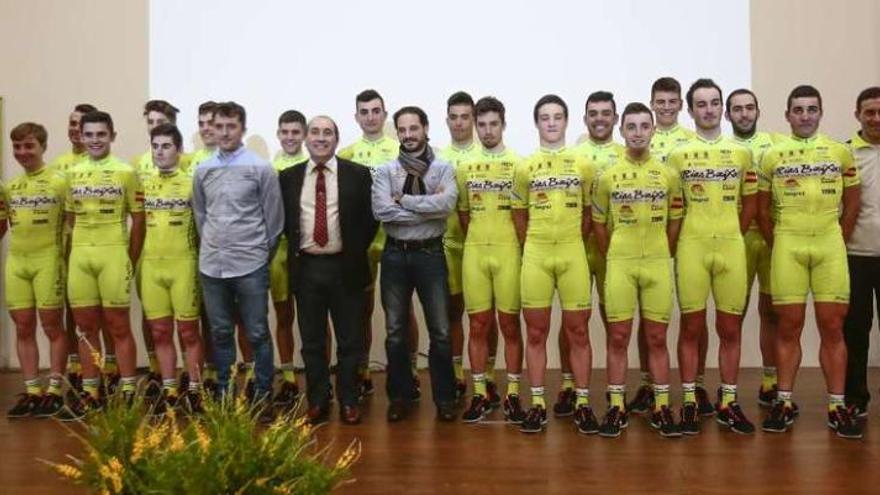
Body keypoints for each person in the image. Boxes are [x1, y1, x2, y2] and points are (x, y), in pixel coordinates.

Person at [757, 85, 862, 439]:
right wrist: (782, 241)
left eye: (811, 109)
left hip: (829, 245)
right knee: (788, 326)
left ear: (821, 112)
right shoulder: (772, 155)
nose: (805, 116)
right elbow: (761, 211)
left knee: (833, 327)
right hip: (789, 245)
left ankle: (837, 405)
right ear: (787, 115)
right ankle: (783, 401)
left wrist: (837, 238)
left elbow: (853, 202)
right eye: (798, 110)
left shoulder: (839, 153)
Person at [667, 79, 757, 434]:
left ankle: (729, 401)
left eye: (714, 103)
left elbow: (751, 201)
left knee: (730, 327)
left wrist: (734, 232)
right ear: (690, 111)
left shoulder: (740, 153)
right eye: (700, 104)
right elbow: (672, 206)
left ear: (722, 108)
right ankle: (690, 400)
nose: (708, 109)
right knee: (691, 327)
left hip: (731, 247)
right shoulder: (676, 156)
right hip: (693, 246)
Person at [592, 102, 683, 438]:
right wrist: (614, 254)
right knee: (618, 337)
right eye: (632, 127)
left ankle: (662, 406)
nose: (638, 133)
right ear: (622, 131)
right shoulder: (607, 176)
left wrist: (663, 252)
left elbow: (675, 221)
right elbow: (599, 225)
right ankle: (616, 406)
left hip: (657, 262)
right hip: (620, 263)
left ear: (653, 131)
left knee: (657, 338)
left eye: (645, 126)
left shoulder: (669, 175)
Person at [280, 115, 377, 425]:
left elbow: (370, 218)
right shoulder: (289, 177)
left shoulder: (358, 175)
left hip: (345, 267)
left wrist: (354, 249)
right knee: (312, 341)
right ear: (307, 139)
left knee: (349, 340)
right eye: (316, 132)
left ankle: (349, 399)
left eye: (328, 133)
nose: (321, 138)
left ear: (336, 139)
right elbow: (284, 221)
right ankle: (318, 400)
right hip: (306, 268)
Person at [512, 95, 596, 434]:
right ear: (536, 123)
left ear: (566, 121)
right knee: (536, 332)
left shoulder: (583, 164)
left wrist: (572, 241)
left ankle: (583, 402)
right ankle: (536, 403)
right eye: (544, 117)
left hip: (573, 252)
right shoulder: (524, 166)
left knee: (578, 330)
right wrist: (534, 244)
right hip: (537, 253)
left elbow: (590, 215)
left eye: (557, 117)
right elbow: (519, 217)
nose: (551, 123)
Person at [192, 102, 283, 415]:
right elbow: (201, 214)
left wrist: (258, 254)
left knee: (257, 333)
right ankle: (226, 395)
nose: (225, 132)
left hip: (250, 265)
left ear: (242, 129)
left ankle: (262, 396)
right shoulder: (202, 169)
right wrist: (216, 244)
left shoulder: (261, 168)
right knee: (219, 333)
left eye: (231, 126)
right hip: (212, 267)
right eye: (219, 126)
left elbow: (274, 221)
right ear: (212, 129)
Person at [372, 105, 458, 422]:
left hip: (430, 255)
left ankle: (445, 399)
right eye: (403, 129)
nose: (408, 135)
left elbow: (447, 205)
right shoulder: (386, 171)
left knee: (441, 331)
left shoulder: (444, 168)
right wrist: (427, 207)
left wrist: (404, 200)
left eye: (414, 128)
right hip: (395, 255)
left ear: (425, 128)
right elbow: (382, 211)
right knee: (395, 332)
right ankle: (401, 397)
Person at [59, 111, 145, 420]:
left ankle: (128, 389)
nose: (95, 140)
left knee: (118, 326)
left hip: (114, 255)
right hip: (81, 256)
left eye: (101, 134)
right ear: (81, 136)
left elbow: (139, 220)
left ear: (112, 136)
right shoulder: (71, 172)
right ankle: (91, 390)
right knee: (84, 329)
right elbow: (70, 218)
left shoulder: (125, 171)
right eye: (90, 134)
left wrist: (129, 259)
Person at [338, 89, 420, 398]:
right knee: (362, 309)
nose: (371, 117)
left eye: (376, 111)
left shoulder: (402, 150)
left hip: (398, 238)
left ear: (385, 115)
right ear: (356, 117)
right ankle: (362, 370)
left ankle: (410, 370)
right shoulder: (346, 153)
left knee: (401, 310)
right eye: (364, 111)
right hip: (363, 242)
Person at [551, 90, 624, 416]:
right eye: (593, 113)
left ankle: (615, 390)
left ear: (616, 119)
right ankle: (569, 385)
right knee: (573, 323)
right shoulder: (571, 154)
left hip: (613, 250)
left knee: (616, 322)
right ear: (584, 119)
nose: (599, 119)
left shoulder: (627, 154)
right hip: (578, 248)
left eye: (605, 113)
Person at [629, 77, 698, 415]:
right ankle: (647, 383)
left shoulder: (691, 141)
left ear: (681, 105)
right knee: (646, 319)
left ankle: (694, 385)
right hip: (643, 242)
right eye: (661, 101)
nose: (667, 106)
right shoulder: (639, 139)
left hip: (686, 236)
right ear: (653, 104)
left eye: (673, 101)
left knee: (691, 318)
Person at [457, 96, 525, 423]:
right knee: (478, 325)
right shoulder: (465, 166)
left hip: (508, 250)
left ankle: (512, 395)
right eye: (481, 124)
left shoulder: (519, 164)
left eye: (493, 124)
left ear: (503, 124)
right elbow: (463, 215)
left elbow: (523, 215)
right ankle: (481, 394)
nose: (486, 131)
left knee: (510, 325)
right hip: (475, 252)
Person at [725, 88, 787, 408]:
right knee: (733, 315)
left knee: (772, 312)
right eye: (737, 109)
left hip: (771, 234)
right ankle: (729, 391)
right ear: (728, 115)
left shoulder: (775, 144)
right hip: (737, 238)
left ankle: (770, 381)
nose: (744, 114)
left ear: (758, 112)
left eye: (749, 108)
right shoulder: (721, 149)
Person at [140, 123, 205, 415]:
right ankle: (169, 388)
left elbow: (204, 226)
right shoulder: (143, 183)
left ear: (179, 150)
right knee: (160, 332)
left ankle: (195, 389)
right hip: (152, 266)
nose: (159, 152)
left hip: (184, 264)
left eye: (166, 146)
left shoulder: (192, 182)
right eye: (155, 146)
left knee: (189, 333)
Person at [4, 123, 68, 418]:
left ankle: (55, 389)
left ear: (43, 146)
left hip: (48, 260)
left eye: (29, 146)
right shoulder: (9, 187)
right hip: (17, 262)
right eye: (17, 147)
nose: (22, 153)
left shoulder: (59, 181)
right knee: (23, 326)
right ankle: (32, 390)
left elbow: (74, 225)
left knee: (52, 326)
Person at [439, 91, 492, 401]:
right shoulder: (438, 157)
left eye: (465, 117)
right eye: (454, 117)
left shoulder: (487, 153)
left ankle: (489, 374)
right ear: (447, 120)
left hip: (484, 245)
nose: (460, 123)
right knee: (453, 313)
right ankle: (458, 374)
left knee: (488, 315)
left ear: (474, 119)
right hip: (449, 245)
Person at [48, 103, 97, 397]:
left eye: (80, 124)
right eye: (71, 123)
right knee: (67, 312)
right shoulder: (58, 165)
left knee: (94, 314)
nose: (74, 129)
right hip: (63, 248)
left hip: (91, 248)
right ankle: (75, 369)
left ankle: (100, 367)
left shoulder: (99, 164)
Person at [843, 86, 880, 417]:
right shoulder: (845, 154)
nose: (876, 118)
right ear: (858, 115)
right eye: (869, 112)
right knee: (855, 330)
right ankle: (856, 397)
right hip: (855, 256)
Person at [270, 110, 309, 408]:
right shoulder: (270, 169)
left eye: (296, 132)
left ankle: (319, 377)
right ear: (278, 134)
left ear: (305, 134)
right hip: (280, 253)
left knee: (316, 319)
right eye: (285, 132)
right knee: (284, 317)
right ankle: (289, 379)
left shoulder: (314, 166)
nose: (290, 137)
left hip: (309, 252)